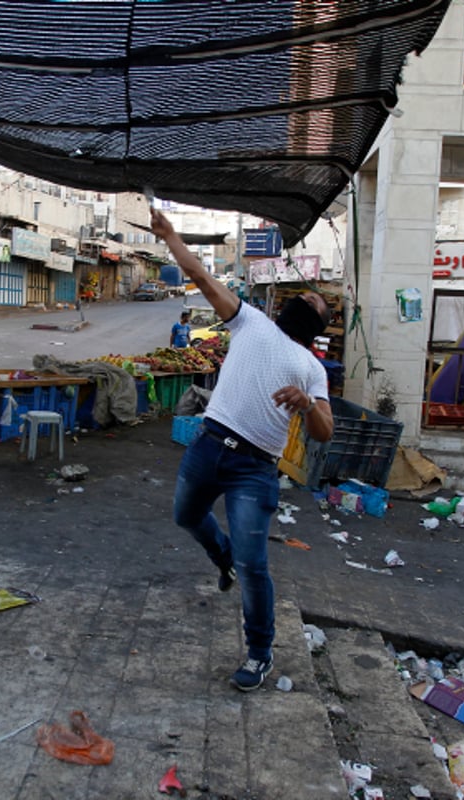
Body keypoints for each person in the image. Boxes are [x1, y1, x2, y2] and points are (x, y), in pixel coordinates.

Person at [151, 208, 334, 692]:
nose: (302, 298)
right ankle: (221, 556)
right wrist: (171, 236)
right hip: (209, 445)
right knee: (185, 517)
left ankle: (259, 652)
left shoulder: (312, 369)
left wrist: (306, 405)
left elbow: (325, 431)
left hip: (254, 468)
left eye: (311, 299)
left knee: (256, 564)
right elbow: (199, 274)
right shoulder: (250, 321)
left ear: (315, 322)